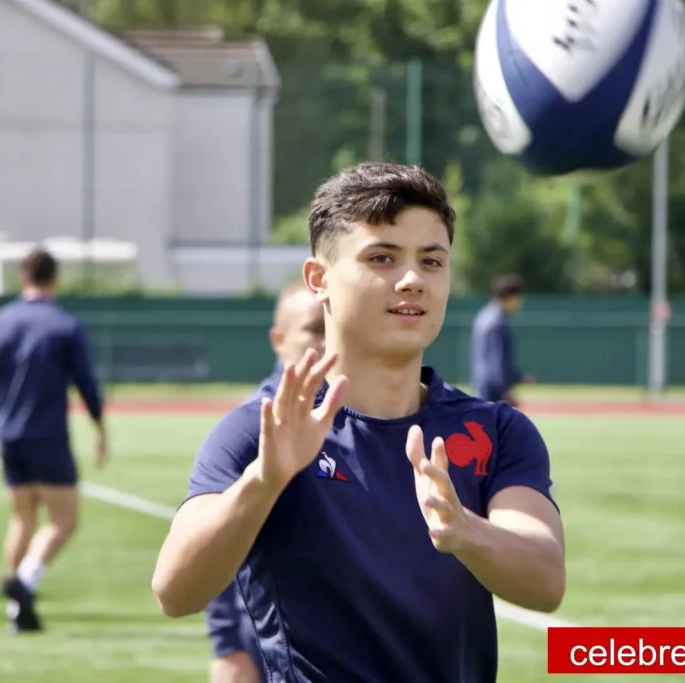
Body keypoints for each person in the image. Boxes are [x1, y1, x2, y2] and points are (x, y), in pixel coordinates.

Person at [152, 162, 565, 682]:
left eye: (432, 261)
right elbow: (176, 591)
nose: (413, 279)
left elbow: (546, 581)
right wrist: (265, 480)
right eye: (382, 258)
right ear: (319, 279)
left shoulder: (497, 432)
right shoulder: (260, 431)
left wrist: (466, 533)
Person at [0, 248, 108, 633]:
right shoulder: (64, 325)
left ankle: (17, 613)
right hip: (47, 434)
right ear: (55, 279)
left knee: (22, 518)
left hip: (9, 436)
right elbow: (85, 383)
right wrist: (100, 428)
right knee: (64, 520)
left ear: (22, 278)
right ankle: (25, 581)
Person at [205, 280, 325, 683]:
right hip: (265, 638)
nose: (326, 341)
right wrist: (227, 647)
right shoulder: (254, 422)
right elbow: (215, 539)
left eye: (333, 325)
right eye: (313, 329)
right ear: (279, 339)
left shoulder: (363, 411)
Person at [470, 274, 531, 405]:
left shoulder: (485, 316)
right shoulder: (496, 322)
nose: (520, 302)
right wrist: (506, 390)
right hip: (493, 390)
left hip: (483, 385)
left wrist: (517, 376)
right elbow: (497, 360)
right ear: (509, 297)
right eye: (518, 298)